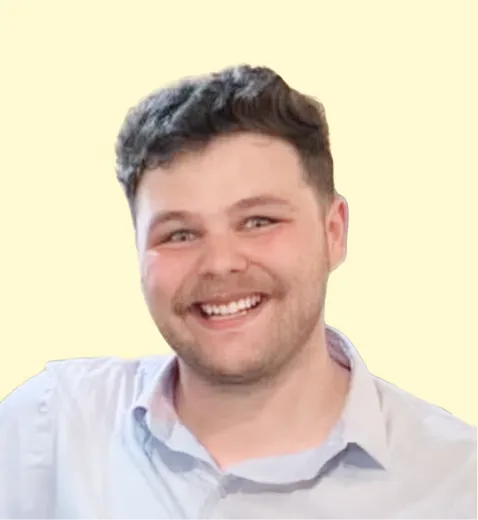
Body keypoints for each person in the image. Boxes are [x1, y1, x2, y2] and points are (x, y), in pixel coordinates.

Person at [0, 64, 476, 520]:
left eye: (258, 221)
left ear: (333, 232)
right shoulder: (49, 432)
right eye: (179, 234)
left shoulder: (456, 485)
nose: (220, 262)